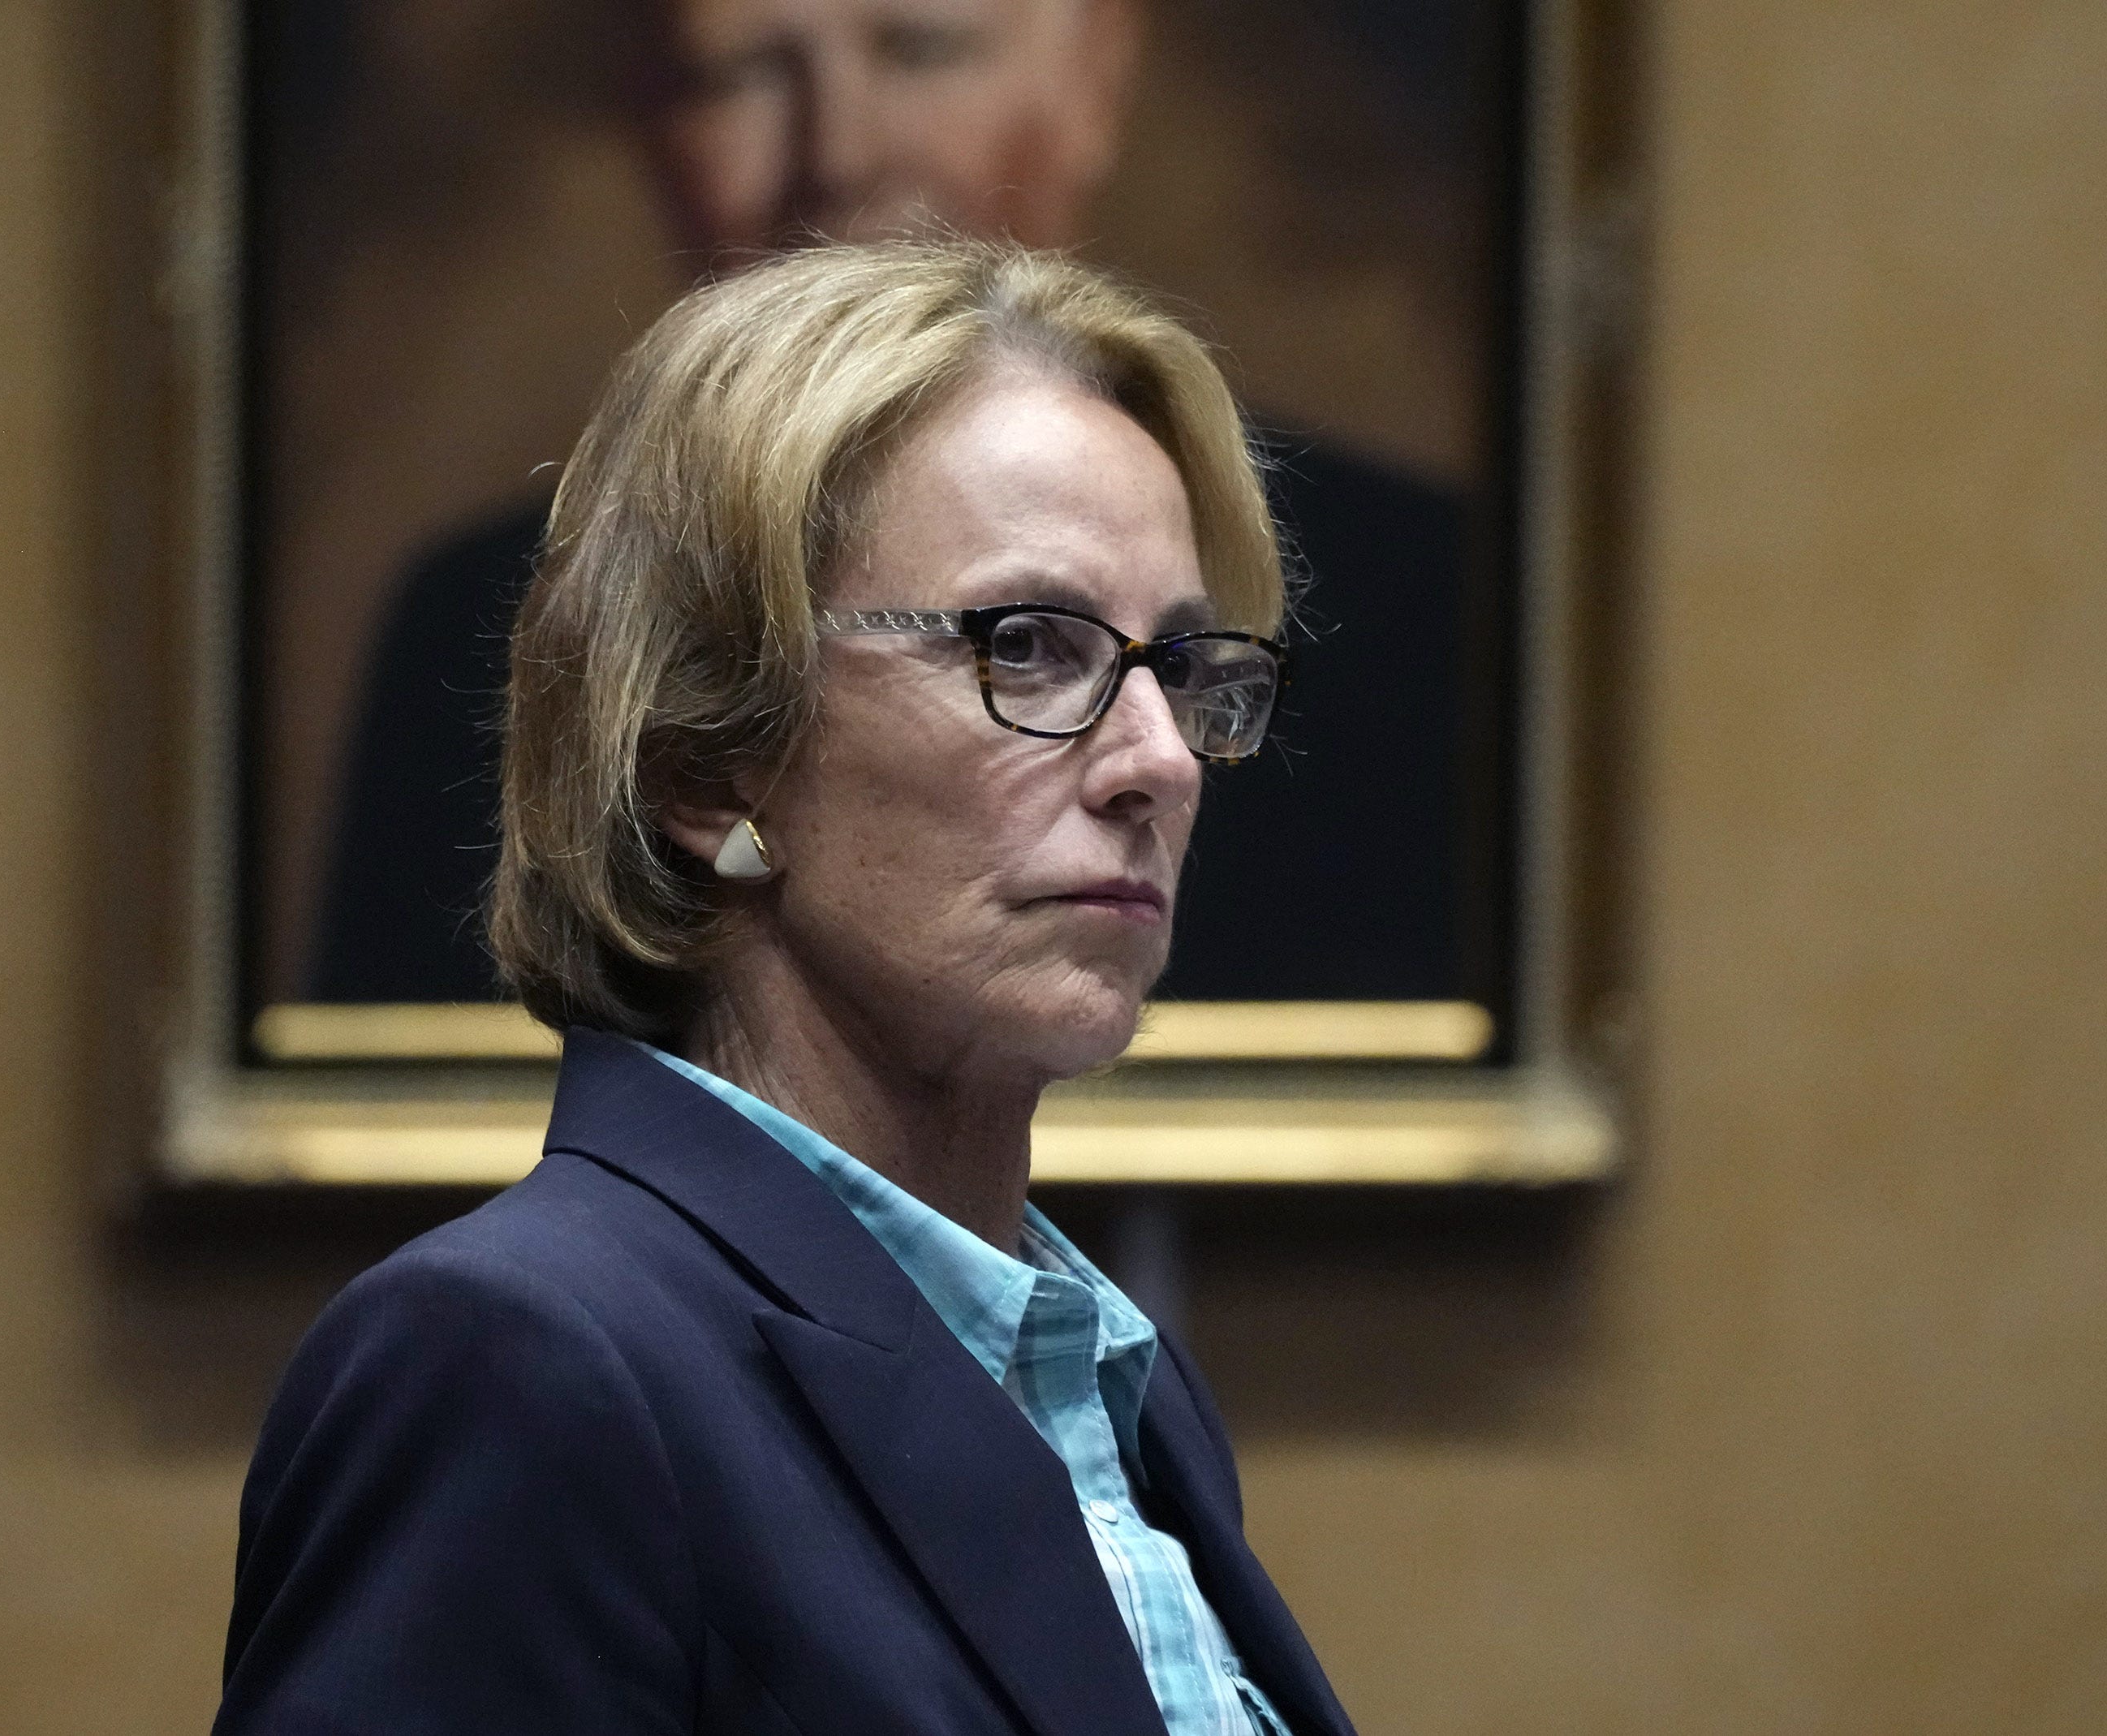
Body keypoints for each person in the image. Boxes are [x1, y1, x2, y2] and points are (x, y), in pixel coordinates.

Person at [218, 241, 1355, 1735]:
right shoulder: (516, 1360)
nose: (1157, 760)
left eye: (1184, 666)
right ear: (704, 759)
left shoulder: (1111, 1383)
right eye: (1026, 645)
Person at [306, 0, 1479, 1014]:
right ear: (689, 756)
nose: (842, 152)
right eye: (739, 73)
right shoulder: (491, 622)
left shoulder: (1415, 595)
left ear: (1093, 75)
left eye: (921, 48)